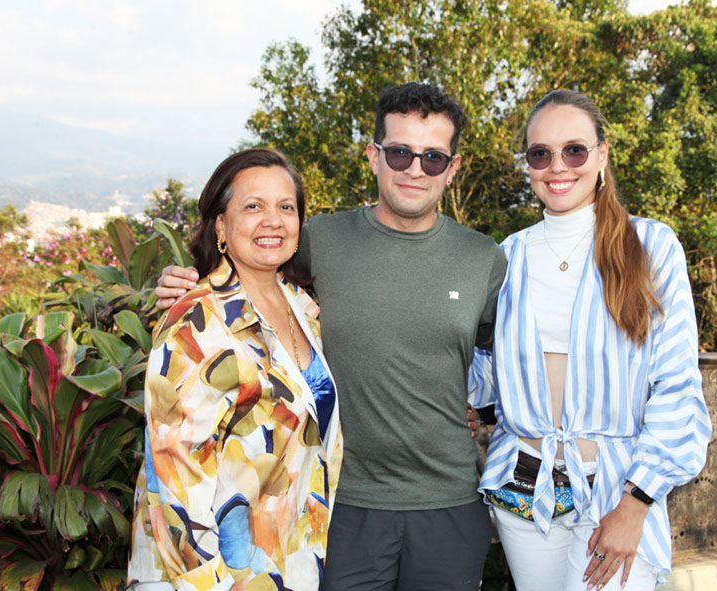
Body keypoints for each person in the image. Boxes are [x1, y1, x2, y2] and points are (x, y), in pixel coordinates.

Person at [155, 83, 508, 591]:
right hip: (335, 504)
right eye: (400, 152)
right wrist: (181, 279)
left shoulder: (483, 258)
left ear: (452, 169)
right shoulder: (319, 239)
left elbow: (509, 365)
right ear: (374, 156)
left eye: (433, 158)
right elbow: (246, 275)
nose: (415, 168)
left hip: (449, 505)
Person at [469, 90, 712, 591]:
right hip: (523, 490)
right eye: (541, 153)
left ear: (601, 155)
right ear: (529, 165)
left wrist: (637, 502)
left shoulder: (651, 246)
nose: (558, 166)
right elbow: (482, 373)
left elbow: (677, 385)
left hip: (616, 491)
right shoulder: (504, 257)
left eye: (574, 150)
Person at [128, 148, 343, 591]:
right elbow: (176, 485)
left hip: (287, 564)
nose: (273, 220)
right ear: (221, 226)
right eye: (253, 206)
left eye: (286, 207)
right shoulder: (197, 321)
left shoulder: (302, 307)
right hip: (212, 576)